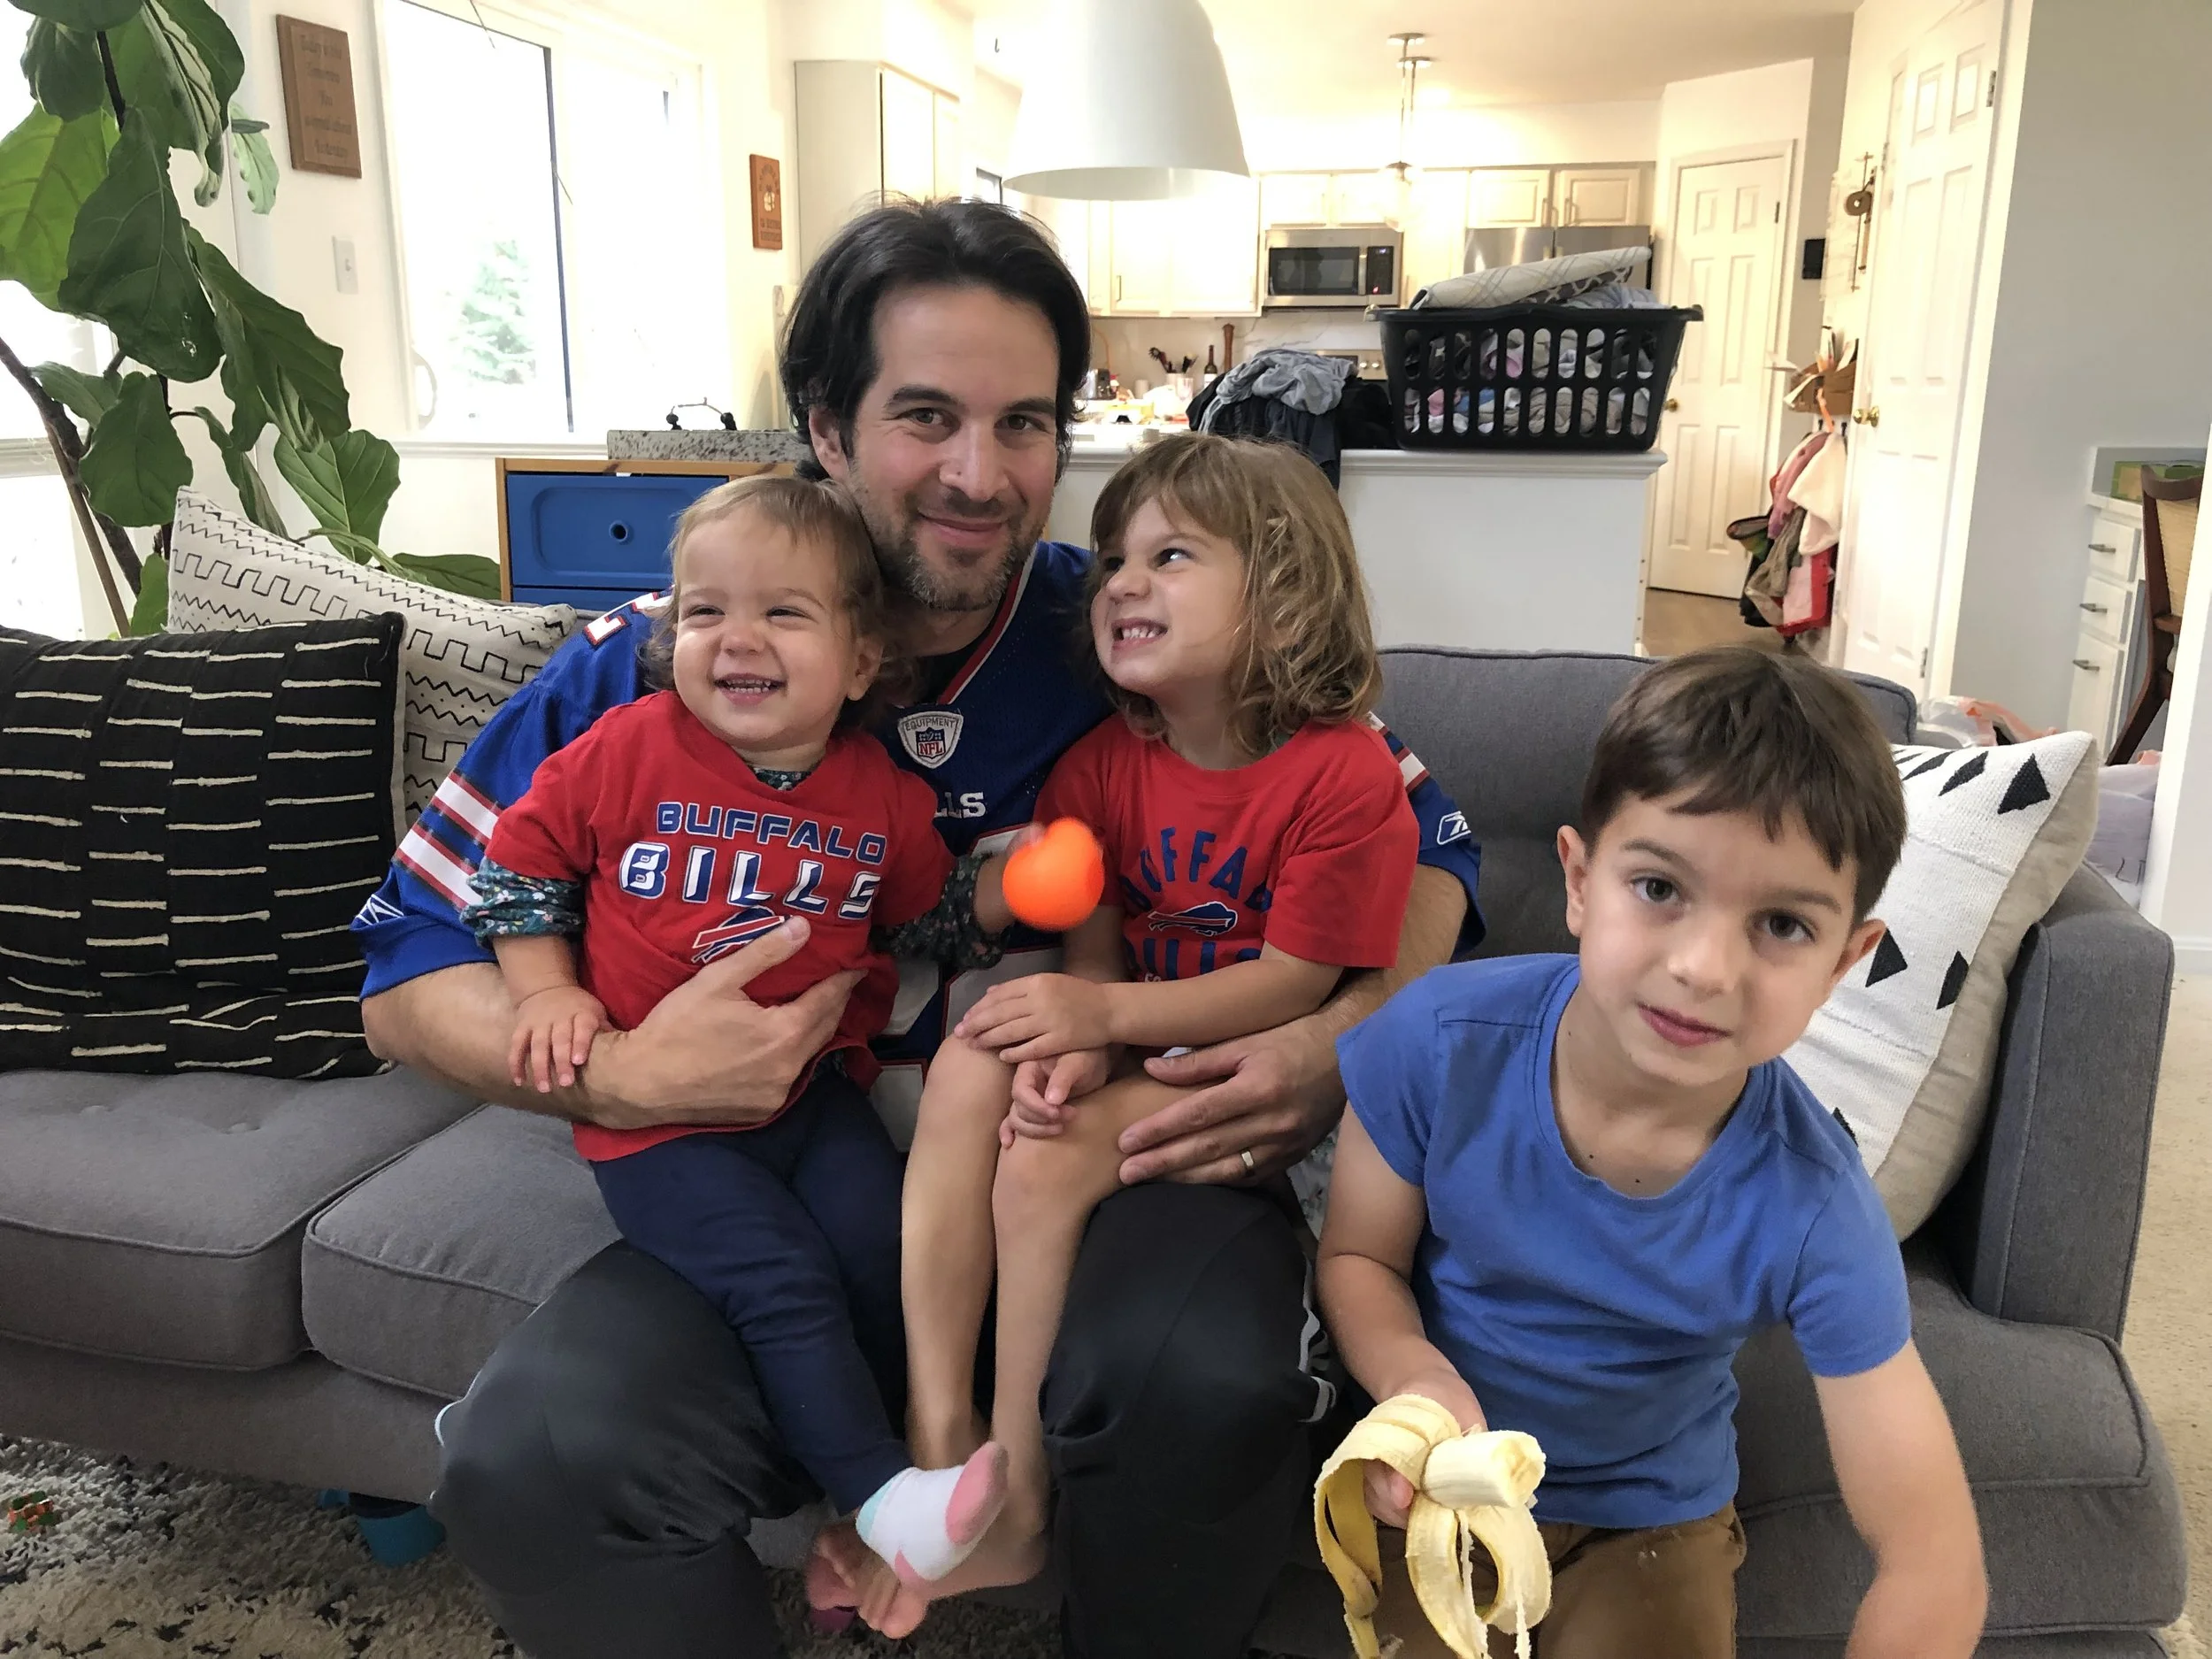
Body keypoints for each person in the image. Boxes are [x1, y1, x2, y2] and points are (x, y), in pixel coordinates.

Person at [355, 198, 1483, 1659]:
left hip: (1094, 1165)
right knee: (538, 1460)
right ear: (825, 425)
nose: (978, 474)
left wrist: (1339, 1034)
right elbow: (404, 977)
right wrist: (615, 1074)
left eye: (1022, 424)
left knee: (1201, 1381)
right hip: (755, 1182)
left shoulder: (1124, 635)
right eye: (926, 416)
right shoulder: (657, 661)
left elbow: (1426, 845)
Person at [1318, 646, 1987, 1659]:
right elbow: (1360, 1257)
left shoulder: (1813, 1204)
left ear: (1847, 959)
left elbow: (1932, 1557)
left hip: (1652, 1521)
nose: (1703, 968)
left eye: (1779, 923)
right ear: (1580, 882)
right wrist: (1411, 1379)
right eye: (1660, 889)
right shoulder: (1437, 1043)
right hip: (1443, 1483)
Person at [461, 473, 1010, 1588]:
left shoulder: (883, 793)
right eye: (705, 611)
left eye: (784, 613)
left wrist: (1014, 892)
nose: (736, 638)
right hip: (658, 1136)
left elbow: (920, 915)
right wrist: (548, 996)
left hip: (814, 1102)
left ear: (861, 662)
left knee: (884, 1244)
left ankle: (871, 1470)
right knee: (782, 1280)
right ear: (670, 636)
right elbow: (514, 868)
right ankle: (881, 1505)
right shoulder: (624, 748)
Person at [900, 433, 1420, 1584]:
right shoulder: (1097, 765)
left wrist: (1099, 1017)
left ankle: (1022, 1498)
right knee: (971, 1061)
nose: (1122, 579)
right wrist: (1074, 1039)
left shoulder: (1344, 773)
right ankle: (942, 1437)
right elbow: (1097, 943)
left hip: (1285, 1088)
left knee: (1039, 1159)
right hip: (1156, 1034)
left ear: (1283, 594)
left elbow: (1293, 983)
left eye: (1171, 553)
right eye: (1114, 557)